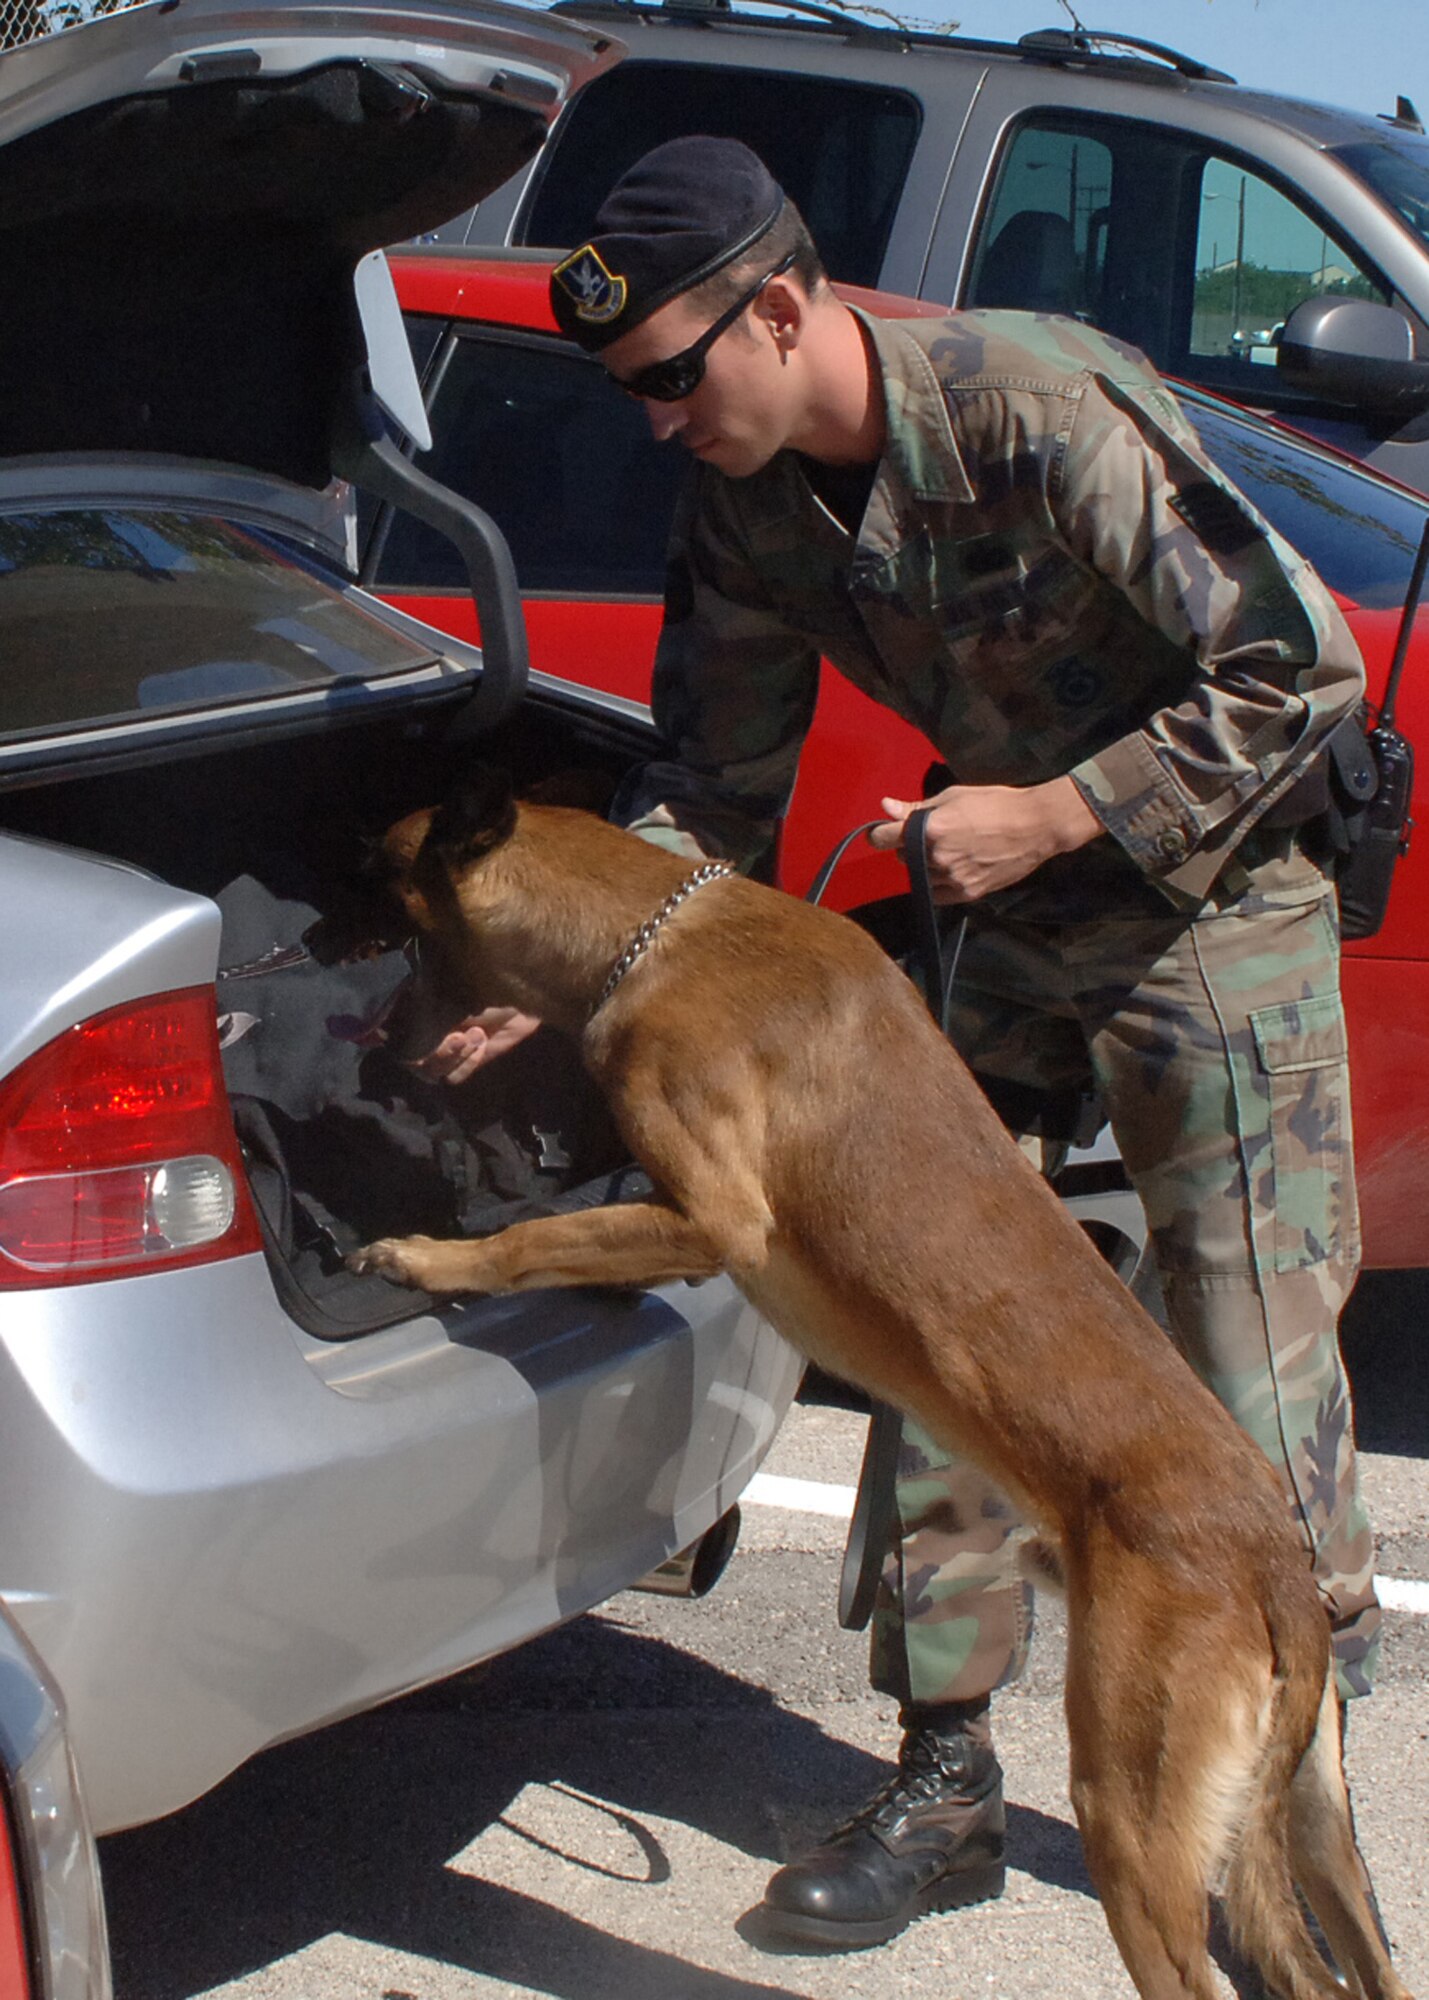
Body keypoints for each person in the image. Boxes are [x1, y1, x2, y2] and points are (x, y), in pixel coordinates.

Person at [550, 133, 1385, 1948]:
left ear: (779, 308)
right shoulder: (745, 500)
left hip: (1211, 915)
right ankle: (945, 1774)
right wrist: (586, 963)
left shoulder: (1030, 408)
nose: (657, 423)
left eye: (672, 380)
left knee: (1237, 1390)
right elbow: (712, 785)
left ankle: (1287, 1836)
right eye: (630, 396)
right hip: (1003, 935)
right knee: (939, 1323)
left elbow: (1300, 670)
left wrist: (1058, 814)